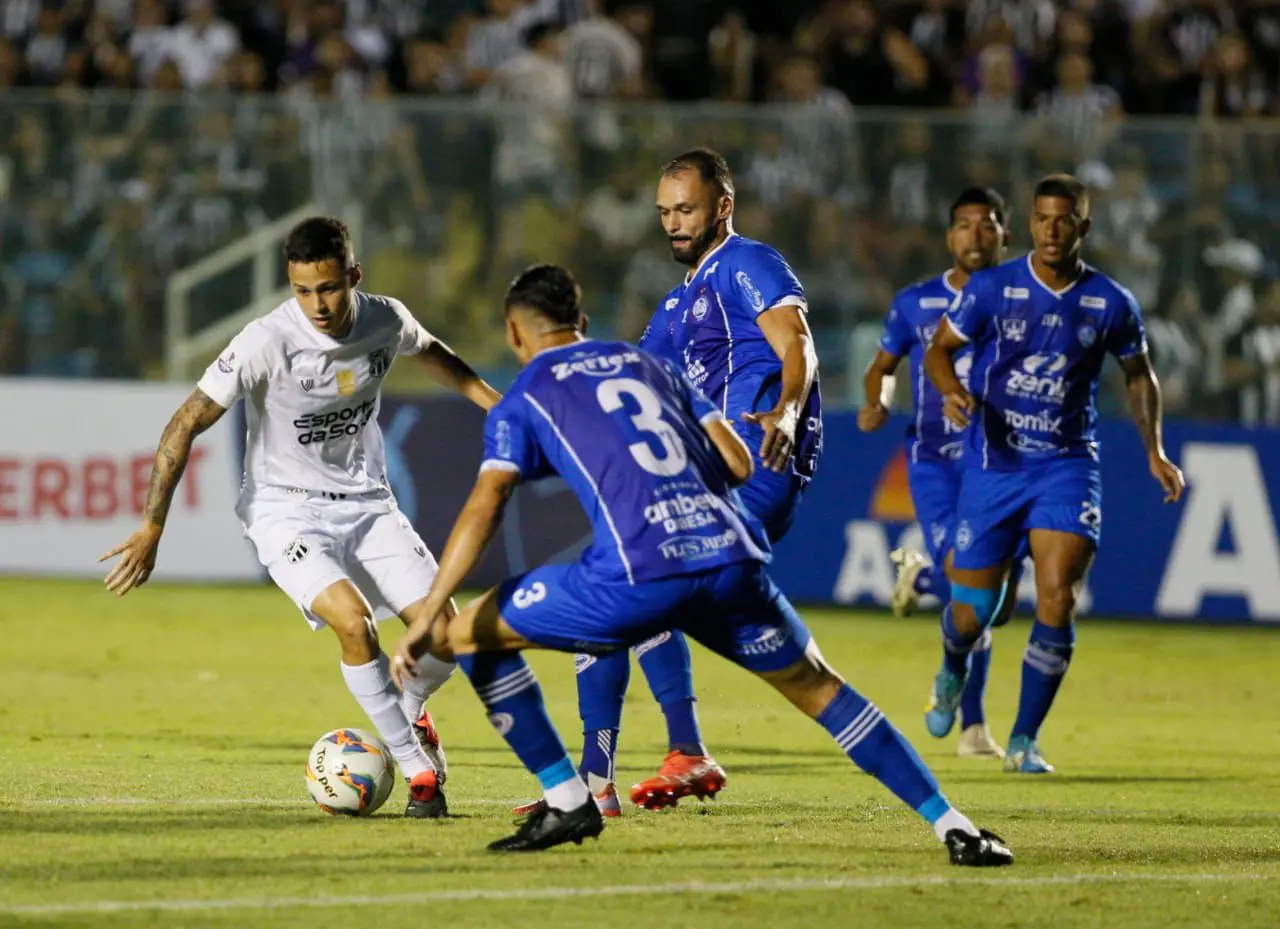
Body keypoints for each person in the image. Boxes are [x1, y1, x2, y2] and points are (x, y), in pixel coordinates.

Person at [391, 262, 1012, 865]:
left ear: (513, 333)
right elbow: (739, 464)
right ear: (582, 320)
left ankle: (570, 798)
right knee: (822, 688)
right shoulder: (652, 366)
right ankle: (954, 826)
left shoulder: (526, 395)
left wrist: (429, 614)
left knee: (468, 632)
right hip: (729, 557)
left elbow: (487, 503)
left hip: (638, 574)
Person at [100, 216, 500, 816]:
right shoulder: (265, 341)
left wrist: (496, 405)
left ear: (354, 276)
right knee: (355, 625)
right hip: (284, 511)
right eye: (303, 290)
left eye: (329, 288)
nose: (317, 305)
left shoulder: (386, 319)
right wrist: (153, 525)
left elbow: (433, 353)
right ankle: (418, 773)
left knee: (445, 635)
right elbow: (185, 422)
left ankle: (411, 710)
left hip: (369, 505)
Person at [519, 146, 822, 817]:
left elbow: (796, 342)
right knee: (619, 592)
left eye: (686, 208)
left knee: (635, 580)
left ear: (723, 205)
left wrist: (787, 411)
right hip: (711, 479)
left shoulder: (746, 263)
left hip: (754, 463)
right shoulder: (679, 303)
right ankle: (603, 782)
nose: (673, 223)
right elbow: (627, 378)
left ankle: (662, 757)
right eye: (664, 212)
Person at [922, 174, 1185, 773]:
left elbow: (1139, 376)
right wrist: (952, 389)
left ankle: (1023, 741)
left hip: (1067, 464)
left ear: (1082, 226)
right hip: (994, 465)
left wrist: (1155, 451)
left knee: (1058, 596)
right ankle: (954, 664)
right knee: (973, 613)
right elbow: (939, 349)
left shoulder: (1110, 302)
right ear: (1031, 223)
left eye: (1064, 219)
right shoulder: (993, 288)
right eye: (1042, 218)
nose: (1051, 229)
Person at [859, 186, 1014, 759]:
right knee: (969, 581)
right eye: (965, 225)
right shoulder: (916, 302)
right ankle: (974, 727)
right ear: (950, 237)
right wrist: (877, 403)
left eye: (987, 225)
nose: (976, 235)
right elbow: (882, 367)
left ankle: (920, 579)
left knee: (996, 602)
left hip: (1002, 463)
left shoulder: (1022, 299)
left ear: (1005, 236)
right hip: (936, 464)